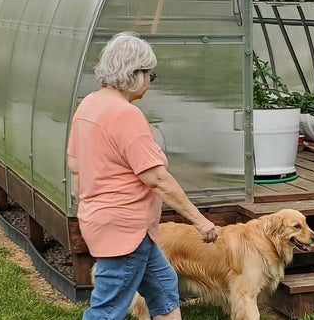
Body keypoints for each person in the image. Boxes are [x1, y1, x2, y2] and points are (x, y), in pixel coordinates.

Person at [67, 31, 219, 320]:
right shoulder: (126, 115)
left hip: (113, 225)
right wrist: (200, 222)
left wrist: (89, 208)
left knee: (164, 287)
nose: (150, 81)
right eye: (150, 74)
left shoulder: (89, 104)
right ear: (134, 73)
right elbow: (158, 180)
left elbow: (76, 167)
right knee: (107, 309)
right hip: (126, 230)